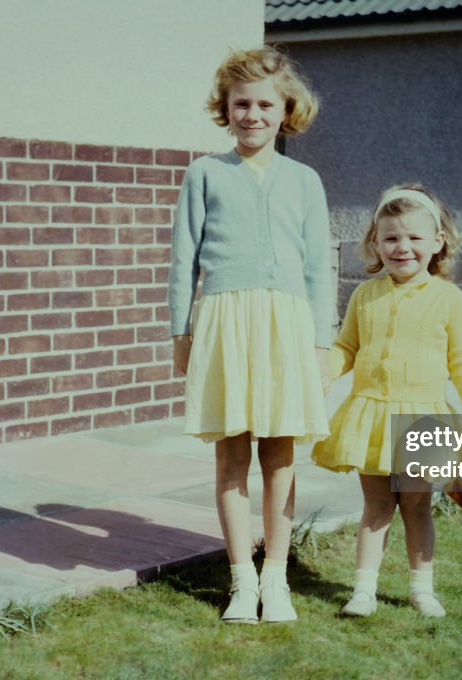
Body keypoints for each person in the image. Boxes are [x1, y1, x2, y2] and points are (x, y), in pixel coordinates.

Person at [167, 46, 333, 624]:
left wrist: (321, 343)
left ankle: (276, 579)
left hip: (286, 326)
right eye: (241, 104)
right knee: (231, 458)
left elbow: (318, 268)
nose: (252, 114)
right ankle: (241, 580)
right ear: (225, 108)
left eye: (265, 103)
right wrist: (180, 332)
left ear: (286, 109)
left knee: (281, 459)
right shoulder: (205, 173)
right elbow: (183, 259)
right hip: (224, 323)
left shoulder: (305, 181)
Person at [312, 184, 462, 618]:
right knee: (375, 507)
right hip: (370, 415)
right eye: (390, 238)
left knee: (415, 504)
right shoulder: (364, 295)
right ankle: (363, 591)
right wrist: (326, 371)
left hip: (421, 418)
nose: (402, 247)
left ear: (437, 242)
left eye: (413, 238)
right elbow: (347, 347)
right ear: (375, 242)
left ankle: (421, 588)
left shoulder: (448, 299)